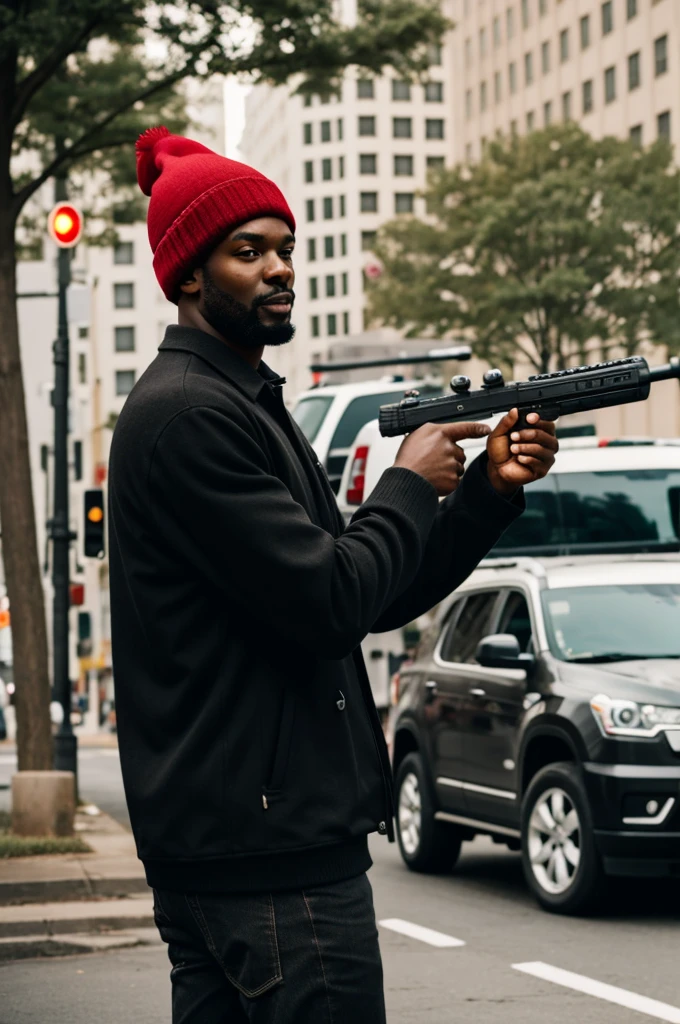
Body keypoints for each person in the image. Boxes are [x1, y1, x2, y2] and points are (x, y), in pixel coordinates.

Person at [108, 127, 558, 1024]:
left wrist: (480, 493)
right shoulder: (190, 417)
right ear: (188, 276)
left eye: (286, 250)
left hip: (244, 849)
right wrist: (404, 479)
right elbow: (330, 599)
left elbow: (368, 587)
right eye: (249, 252)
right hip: (271, 864)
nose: (280, 269)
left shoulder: (241, 404)